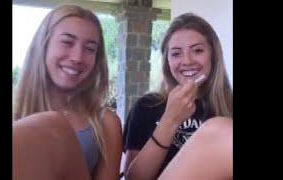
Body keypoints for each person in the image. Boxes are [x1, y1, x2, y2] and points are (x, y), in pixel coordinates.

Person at [13, 4, 122, 180]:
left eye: (89, 49)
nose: (77, 57)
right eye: (67, 42)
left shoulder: (105, 123)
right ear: (43, 45)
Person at [122, 13, 233, 180]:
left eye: (197, 50)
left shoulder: (229, 105)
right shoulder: (147, 106)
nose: (187, 61)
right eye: (176, 53)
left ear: (213, 55)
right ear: (167, 60)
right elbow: (135, 178)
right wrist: (170, 120)